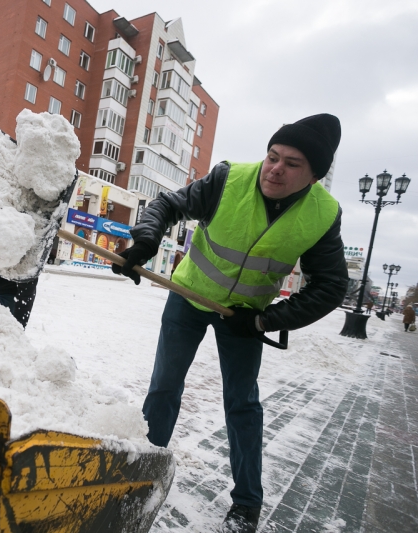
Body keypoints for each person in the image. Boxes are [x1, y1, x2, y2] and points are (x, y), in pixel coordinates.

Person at [112, 114, 349, 533]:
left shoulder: (322, 215)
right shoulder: (228, 179)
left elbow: (329, 287)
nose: (275, 168)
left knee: (242, 404)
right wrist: (146, 240)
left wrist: (264, 321)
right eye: (272, 156)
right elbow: (168, 204)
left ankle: (246, 505)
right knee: (164, 388)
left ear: (314, 176)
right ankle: (142, 475)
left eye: (292, 164)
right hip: (189, 298)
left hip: (243, 318)